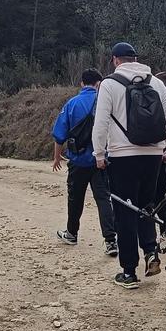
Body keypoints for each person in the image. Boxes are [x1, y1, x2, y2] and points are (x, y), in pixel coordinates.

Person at [92, 42, 166, 289]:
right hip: (153, 154)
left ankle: (129, 271)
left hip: (121, 156)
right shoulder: (156, 82)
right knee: (147, 206)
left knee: (125, 211)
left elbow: (100, 123)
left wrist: (99, 154)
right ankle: (151, 252)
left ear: (114, 60)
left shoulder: (109, 84)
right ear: (136, 58)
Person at [53, 69, 117, 257]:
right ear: (99, 83)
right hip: (101, 160)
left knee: (75, 198)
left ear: (81, 83)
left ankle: (72, 233)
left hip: (78, 160)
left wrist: (57, 157)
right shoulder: (106, 103)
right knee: (104, 199)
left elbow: (59, 133)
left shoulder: (72, 103)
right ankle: (111, 241)